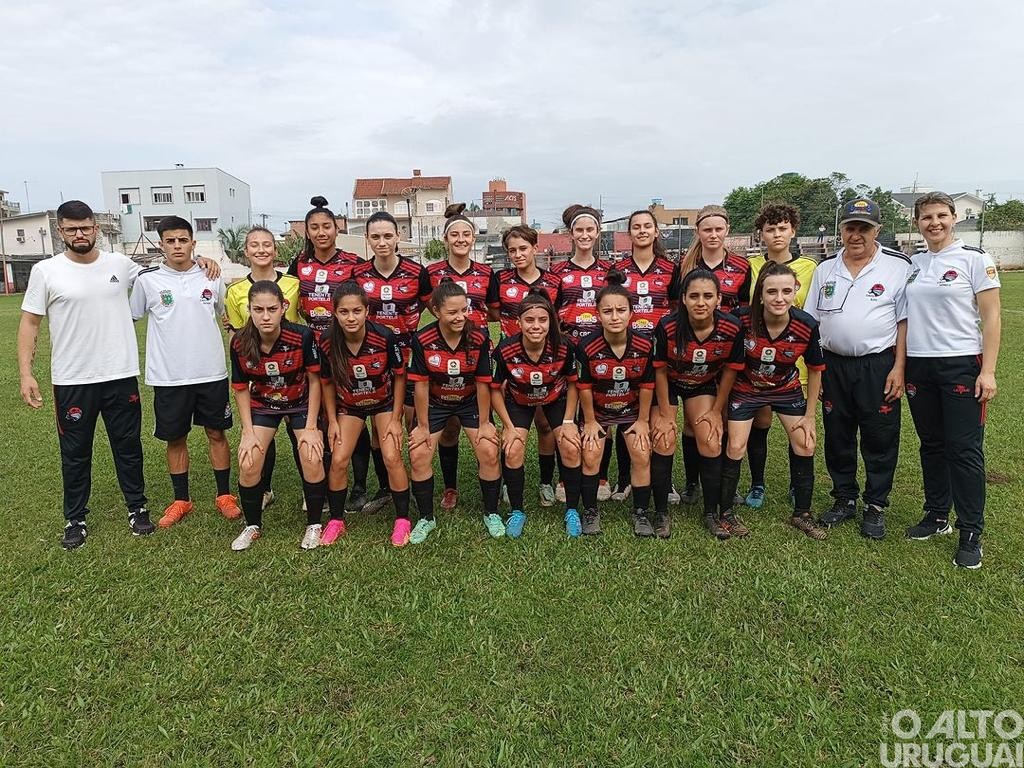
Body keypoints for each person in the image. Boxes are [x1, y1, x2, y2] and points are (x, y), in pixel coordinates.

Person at [17, 200, 218, 549]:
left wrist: (202, 261)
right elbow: (30, 322)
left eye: (86, 227)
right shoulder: (46, 271)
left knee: (128, 447)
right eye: (71, 229)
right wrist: (25, 373)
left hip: (120, 374)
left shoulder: (121, 265)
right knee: (75, 451)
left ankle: (137, 508)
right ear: (61, 231)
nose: (80, 234)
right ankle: (75, 518)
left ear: (96, 228)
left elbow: (167, 270)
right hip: (72, 379)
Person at [903, 191, 1001, 569]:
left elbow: (991, 317)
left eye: (941, 215)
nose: (935, 223)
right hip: (919, 364)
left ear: (955, 217)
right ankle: (937, 514)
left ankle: (971, 530)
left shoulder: (974, 259)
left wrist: (987, 371)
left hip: (961, 362)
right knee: (932, 444)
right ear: (917, 222)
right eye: (927, 217)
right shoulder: (915, 262)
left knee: (964, 449)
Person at [805, 198, 911, 539]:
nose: (856, 235)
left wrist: (899, 367)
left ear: (877, 230)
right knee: (838, 435)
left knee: (880, 437)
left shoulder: (898, 266)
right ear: (841, 230)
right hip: (833, 364)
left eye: (863, 228)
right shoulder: (825, 268)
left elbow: (905, 322)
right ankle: (844, 498)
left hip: (878, 364)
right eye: (850, 227)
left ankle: (876, 505)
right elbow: (812, 323)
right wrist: (816, 371)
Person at [129, 215, 240, 528]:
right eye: (170, 241)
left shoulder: (211, 276)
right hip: (168, 376)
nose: (177, 246)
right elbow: (130, 317)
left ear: (193, 243)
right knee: (175, 438)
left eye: (183, 240)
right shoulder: (147, 280)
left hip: (211, 372)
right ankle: (181, 499)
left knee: (216, 433)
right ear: (161, 244)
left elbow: (225, 316)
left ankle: (224, 495)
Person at [725, 262, 827, 539]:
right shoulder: (741, 320)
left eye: (786, 291)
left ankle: (802, 514)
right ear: (760, 295)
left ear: (795, 290)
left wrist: (809, 416)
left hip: (786, 389)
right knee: (735, 445)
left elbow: (816, 369)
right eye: (771, 292)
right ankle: (725, 514)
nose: (779, 298)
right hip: (746, 389)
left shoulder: (806, 324)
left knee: (806, 442)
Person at [287, 196, 376, 512]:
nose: (321, 232)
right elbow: (280, 293)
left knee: (354, 413)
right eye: (314, 227)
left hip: (345, 346)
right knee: (321, 417)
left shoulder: (352, 262)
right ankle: (320, 487)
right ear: (308, 231)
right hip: (312, 345)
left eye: (326, 226)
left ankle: (360, 488)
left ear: (336, 229)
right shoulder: (299, 263)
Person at [229, 280, 326, 551]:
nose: (265, 315)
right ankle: (252, 526)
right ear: (249, 309)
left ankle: (314, 525)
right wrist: (247, 433)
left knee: (311, 454)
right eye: (258, 309)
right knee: (249, 462)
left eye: (272, 308)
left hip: (301, 403)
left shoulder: (303, 336)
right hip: (263, 405)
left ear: (283, 307)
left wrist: (310, 428)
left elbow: (316, 380)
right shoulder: (239, 342)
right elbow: (240, 389)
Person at [652, 269, 744, 539]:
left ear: (718, 299)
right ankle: (660, 512)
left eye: (707, 296)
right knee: (663, 437)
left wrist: (717, 411)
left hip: (702, 383)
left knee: (711, 438)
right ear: (683, 299)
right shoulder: (668, 325)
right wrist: (667, 415)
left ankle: (710, 513)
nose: (700, 302)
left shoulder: (731, 327)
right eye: (694, 296)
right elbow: (658, 370)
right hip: (669, 381)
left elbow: (730, 370)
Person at [319, 282, 412, 547]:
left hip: (383, 403)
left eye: (357, 311)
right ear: (334, 313)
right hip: (350, 406)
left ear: (367, 311)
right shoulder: (327, 341)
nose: (351, 317)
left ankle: (402, 519)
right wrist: (333, 421)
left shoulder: (384, 335)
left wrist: (395, 419)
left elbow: (399, 375)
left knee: (392, 455)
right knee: (338, 459)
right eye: (344, 312)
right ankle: (336, 520)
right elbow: (326, 382)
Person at [350, 210, 432, 512]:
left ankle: (409, 482)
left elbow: (433, 307)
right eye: (376, 236)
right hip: (372, 359)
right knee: (379, 425)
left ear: (398, 236)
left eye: (388, 235)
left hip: (408, 358)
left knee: (408, 423)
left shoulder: (415, 271)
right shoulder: (358, 274)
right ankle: (386, 487)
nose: (382, 242)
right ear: (367, 239)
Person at [407, 280, 501, 543]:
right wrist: (423, 426)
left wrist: (484, 423)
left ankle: (491, 512)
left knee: (489, 449)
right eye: (452, 312)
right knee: (419, 453)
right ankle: (426, 518)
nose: (460, 317)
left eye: (464, 310)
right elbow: (421, 386)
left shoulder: (479, 338)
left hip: (470, 401)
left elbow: (483, 383)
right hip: (436, 403)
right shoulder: (422, 339)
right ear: (436, 311)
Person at [675, 204, 752, 504]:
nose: (713, 234)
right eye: (707, 229)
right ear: (698, 232)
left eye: (719, 228)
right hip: (696, 352)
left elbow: (745, 311)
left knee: (724, 417)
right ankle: (693, 483)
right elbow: (676, 309)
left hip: (727, 350)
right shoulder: (686, 266)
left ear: (727, 231)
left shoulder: (742, 267)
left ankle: (723, 482)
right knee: (695, 422)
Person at [742, 203, 818, 509]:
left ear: (793, 231)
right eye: (770, 229)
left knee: (796, 425)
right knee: (761, 421)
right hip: (756, 363)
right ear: (761, 233)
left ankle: (794, 484)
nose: (776, 234)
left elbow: (811, 315)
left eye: (782, 228)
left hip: (794, 362)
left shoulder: (810, 267)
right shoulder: (750, 266)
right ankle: (757, 483)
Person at [491, 288, 583, 538]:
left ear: (551, 321)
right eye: (529, 320)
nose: (536, 326)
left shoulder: (564, 347)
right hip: (518, 401)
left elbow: (574, 382)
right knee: (512, 448)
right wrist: (508, 426)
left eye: (542, 320)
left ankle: (572, 510)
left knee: (571, 446)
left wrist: (568, 421)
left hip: (556, 399)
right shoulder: (505, 350)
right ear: (518, 322)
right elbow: (495, 389)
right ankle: (518, 511)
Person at [427, 204, 499, 513]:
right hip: (442, 356)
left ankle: (499, 481)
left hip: (478, 354)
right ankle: (450, 487)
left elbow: (494, 311)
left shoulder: (486, 273)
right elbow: (425, 309)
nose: (460, 239)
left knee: (484, 419)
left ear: (474, 238)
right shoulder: (431, 274)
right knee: (450, 426)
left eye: (466, 234)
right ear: (445, 239)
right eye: (454, 234)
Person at [225, 226, 302, 512]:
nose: (261, 250)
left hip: (294, 369)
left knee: (301, 432)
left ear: (275, 249)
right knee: (262, 433)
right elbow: (235, 334)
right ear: (245, 251)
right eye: (254, 245)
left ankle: (310, 488)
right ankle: (265, 488)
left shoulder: (294, 284)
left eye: (267, 244)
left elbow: (306, 322)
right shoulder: (235, 291)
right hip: (259, 373)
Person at [576, 270, 655, 537]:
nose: (614, 316)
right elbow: (584, 386)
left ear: (631, 313)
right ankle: (590, 511)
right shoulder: (586, 345)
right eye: (607, 311)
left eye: (621, 310)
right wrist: (589, 421)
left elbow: (646, 385)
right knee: (591, 453)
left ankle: (641, 513)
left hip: (631, 410)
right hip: (597, 411)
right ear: (598, 314)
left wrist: (643, 420)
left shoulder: (645, 345)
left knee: (642, 452)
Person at [608, 209, 679, 504]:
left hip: (660, 353)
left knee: (662, 415)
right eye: (636, 227)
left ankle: (666, 481)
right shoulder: (618, 269)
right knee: (628, 415)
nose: (641, 231)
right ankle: (625, 479)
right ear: (630, 233)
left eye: (647, 226)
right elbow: (610, 305)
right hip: (627, 353)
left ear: (656, 231)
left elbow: (676, 308)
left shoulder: (670, 268)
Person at [490, 225, 563, 507]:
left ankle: (545, 482)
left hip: (544, 359)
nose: (518, 254)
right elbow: (495, 312)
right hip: (509, 361)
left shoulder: (554, 282)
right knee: (511, 425)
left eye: (523, 248)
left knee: (545, 424)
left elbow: (557, 321)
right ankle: (509, 483)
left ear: (535, 247)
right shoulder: (501, 278)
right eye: (512, 250)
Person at [550, 204, 612, 503]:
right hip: (569, 347)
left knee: (602, 410)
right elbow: (550, 311)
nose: (585, 235)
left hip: (602, 348)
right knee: (569, 412)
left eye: (590, 230)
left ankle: (601, 475)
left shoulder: (610, 271)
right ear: (570, 234)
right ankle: (565, 477)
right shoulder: (558, 272)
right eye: (579, 230)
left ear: (598, 233)